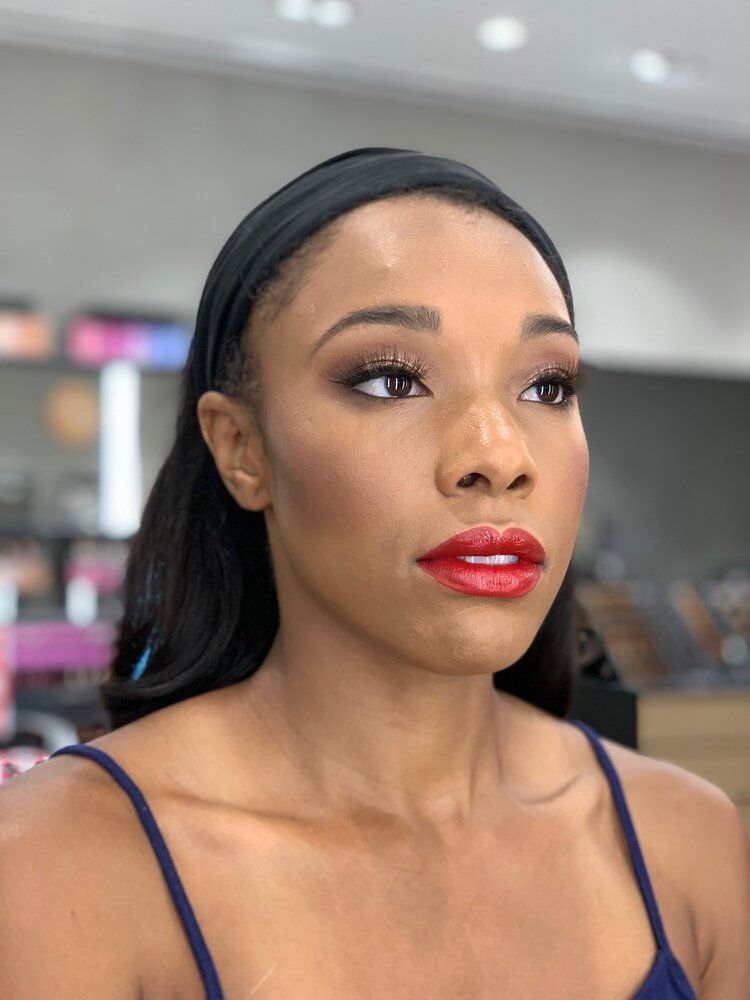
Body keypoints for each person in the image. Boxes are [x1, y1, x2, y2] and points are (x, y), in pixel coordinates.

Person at [1, 148, 748, 998]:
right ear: (241, 449)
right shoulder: (55, 868)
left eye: (546, 386)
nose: (498, 457)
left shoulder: (686, 840)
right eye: (391, 379)